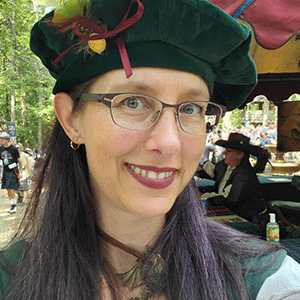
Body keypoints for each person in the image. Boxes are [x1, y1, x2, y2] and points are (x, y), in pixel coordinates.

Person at [0, 0, 300, 299]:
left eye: (192, 108)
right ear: (70, 119)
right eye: (132, 102)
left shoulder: (265, 282)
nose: (169, 142)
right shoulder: (10, 281)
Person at [197, 133, 272, 234]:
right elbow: (210, 172)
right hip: (237, 216)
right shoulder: (226, 166)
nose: (224, 153)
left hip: (252, 225)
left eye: (228, 151)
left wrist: (201, 199)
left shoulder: (244, 175)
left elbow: (228, 200)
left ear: (240, 155)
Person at [0, 133, 22, 213]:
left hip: (13, 171)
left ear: (7, 140)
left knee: (11, 188)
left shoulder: (14, 149)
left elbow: (19, 161)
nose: (1, 140)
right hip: (5, 171)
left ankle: (14, 206)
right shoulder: (0, 148)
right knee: (8, 189)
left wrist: (20, 171)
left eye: (2, 139)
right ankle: (12, 204)